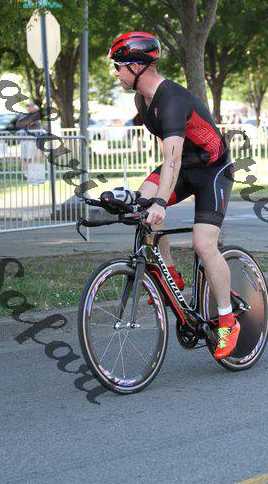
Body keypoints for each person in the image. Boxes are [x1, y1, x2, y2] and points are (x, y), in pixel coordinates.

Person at [109, 31, 239, 359]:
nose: (116, 73)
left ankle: (228, 320)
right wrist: (148, 200)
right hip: (182, 167)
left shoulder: (171, 100)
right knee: (141, 208)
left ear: (136, 67)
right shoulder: (143, 100)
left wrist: (161, 202)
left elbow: (172, 160)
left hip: (212, 170)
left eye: (119, 66)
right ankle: (171, 274)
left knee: (203, 244)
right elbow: (168, 154)